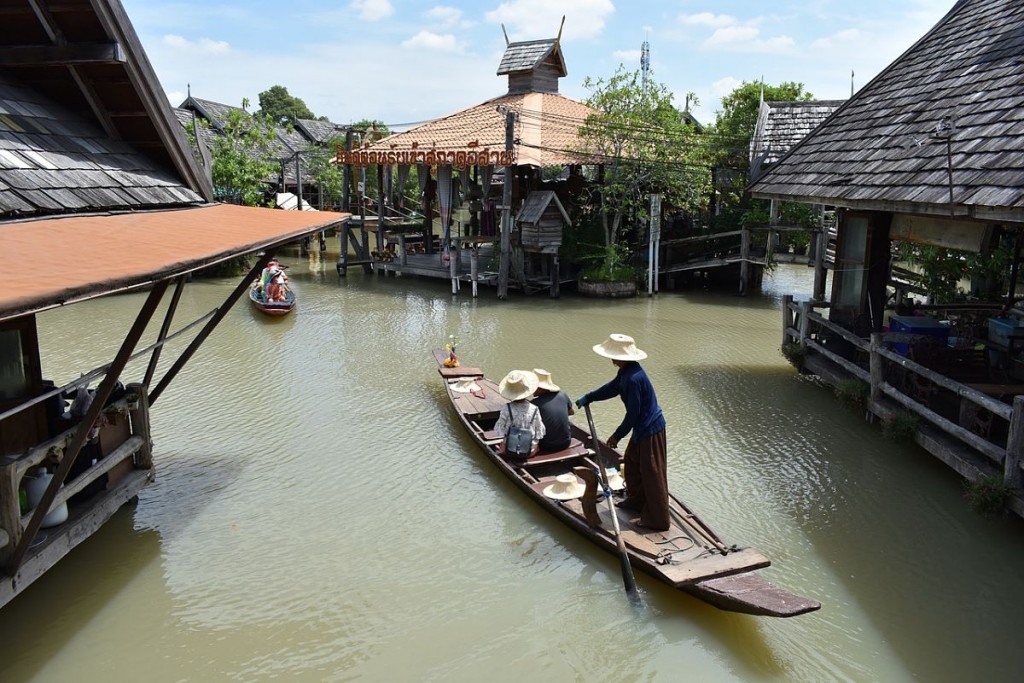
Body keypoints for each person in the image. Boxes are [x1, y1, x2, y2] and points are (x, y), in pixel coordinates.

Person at [575, 334, 669, 531]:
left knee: (652, 474)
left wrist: (617, 435)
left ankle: (658, 519)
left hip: (651, 429)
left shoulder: (634, 378)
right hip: (641, 428)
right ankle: (637, 501)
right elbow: (612, 388)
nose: (611, 359)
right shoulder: (626, 372)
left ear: (622, 357)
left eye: (614, 356)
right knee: (632, 464)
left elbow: (633, 413)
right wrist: (590, 397)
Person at [494, 370, 545, 458]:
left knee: (501, 444)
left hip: (509, 450)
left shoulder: (506, 408)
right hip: (529, 451)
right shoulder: (535, 409)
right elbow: (539, 432)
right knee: (536, 446)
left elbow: (499, 431)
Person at [531, 368, 575, 453]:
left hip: (546, 446)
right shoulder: (563, 395)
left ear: (540, 388)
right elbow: (571, 412)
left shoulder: (534, 404)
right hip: (566, 443)